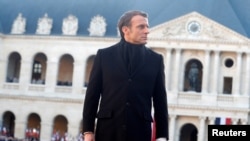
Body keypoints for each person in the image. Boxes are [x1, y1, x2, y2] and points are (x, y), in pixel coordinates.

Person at [82, 10, 169, 141]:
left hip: (139, 131)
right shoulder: (104, 56)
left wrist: (161, 136)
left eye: (147, 26)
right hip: (108, 130)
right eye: (141, 27)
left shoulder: (156, 60)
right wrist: (88, 131)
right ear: (125, 30)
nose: (147, 31)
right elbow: (92, 96)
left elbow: (160, 101)